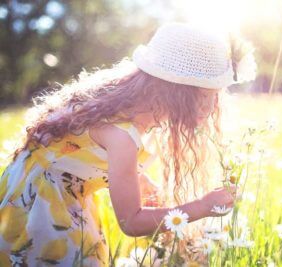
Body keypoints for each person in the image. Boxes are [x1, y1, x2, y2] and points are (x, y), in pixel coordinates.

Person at [0, 22, 256, 266]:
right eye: (206, 96)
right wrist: (202, 207)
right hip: (41, 208)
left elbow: (79, 152)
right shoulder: (122, 136)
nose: (212, 108)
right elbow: (131, 222)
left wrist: (140, 181)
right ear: (176, 92)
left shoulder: (119, 102)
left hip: (40, 188)